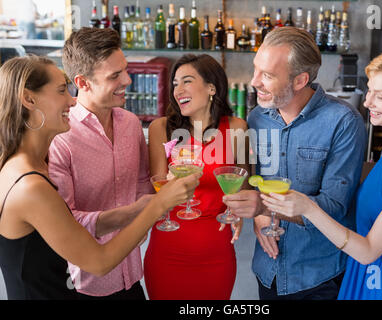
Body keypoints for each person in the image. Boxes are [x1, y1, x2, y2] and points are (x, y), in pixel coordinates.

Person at [0, 55, 200, 300]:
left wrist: (138, 209)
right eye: (62, 90)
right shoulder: (30, 186)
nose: (71, 101)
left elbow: (68, 231)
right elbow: (99, 261)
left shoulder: (23, 165)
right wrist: (159, 203)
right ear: (29, 99)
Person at [261, 48, 382, 300]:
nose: (367, 102)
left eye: (379, 96)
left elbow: (369, 251)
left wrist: (308, 208)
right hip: (362, 274)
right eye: (369, 90)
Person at [223, 27, 367, 300]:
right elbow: (256, 182)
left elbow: (335, 207)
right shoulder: (257, 118)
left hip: (319, 278)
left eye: (267, 75)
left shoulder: (343, 122)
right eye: (256, 70)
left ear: (300, 80)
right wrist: (260, 214)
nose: (254, 82)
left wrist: (263, 205)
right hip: (268, 271)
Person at [47, 27, 151, 299]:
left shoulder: (131, 124)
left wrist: (141, 218)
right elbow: (64, 221)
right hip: (87, 286)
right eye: (115, 75)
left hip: (133, 277)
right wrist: (134, 215)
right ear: (82, 82)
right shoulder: (60, 138)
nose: (127, 79)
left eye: (125, 69)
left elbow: (142, 180)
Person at [144, 54, 250, 300]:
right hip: (169, 246)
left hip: (217, 250)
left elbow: (242, 186)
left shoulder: (237, 128)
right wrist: (172, 177)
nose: (177, 90)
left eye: (187, 81)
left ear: (211, 87)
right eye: (175, 83)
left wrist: (238, 209)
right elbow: (157, 189)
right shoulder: (162, 128)